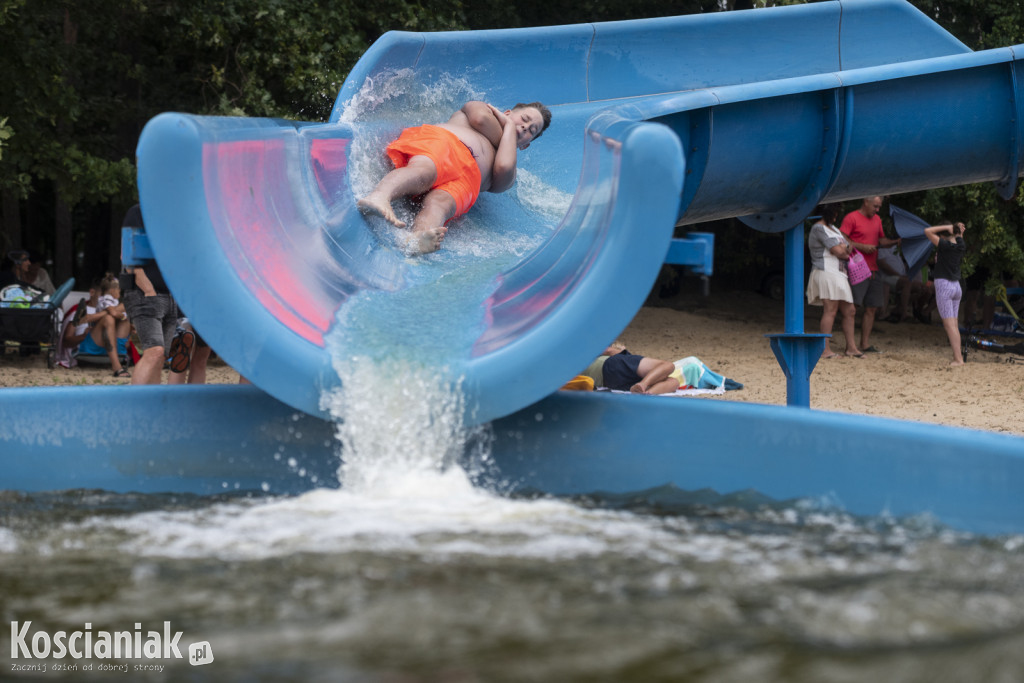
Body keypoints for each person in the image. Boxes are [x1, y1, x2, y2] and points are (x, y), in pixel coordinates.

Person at [358, 100, 552, 253]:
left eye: (532, 131)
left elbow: (503, 167)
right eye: (524, 119)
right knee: (425, 172)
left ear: (525, 146)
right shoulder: (482, 108)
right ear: (507, 113)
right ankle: (380, 196)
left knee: (441, 203)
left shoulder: (511, 167)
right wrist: (506, 129)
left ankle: (417, 240)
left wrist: (510, 129)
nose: (526, 127)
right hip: (445, 144)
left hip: (468, 179)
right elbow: (480, 119)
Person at [119, 204, 181, 385]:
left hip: (168, 296)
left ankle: (151, 404)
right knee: (153, 351)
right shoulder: (138, 212)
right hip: (144, 294)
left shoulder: (170, 216)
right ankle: (135, 404)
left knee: (160, 355)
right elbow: (128, 257)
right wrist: (148, 290)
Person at [840, 196, 901, 353]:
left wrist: (896, 242)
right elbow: (842, 239)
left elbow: (881, 241)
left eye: (879, 206)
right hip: (857, 268)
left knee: (872, 308)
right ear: (865, 202)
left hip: (874, 269)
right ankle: (851, 345)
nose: (877, 209)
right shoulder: (851, 217)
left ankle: (864, 344)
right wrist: (861, 246)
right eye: (875, 206)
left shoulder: (877, 219)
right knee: (853, 307)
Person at [806, 204, 861, 358]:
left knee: (850, 310)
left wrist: (844, 248)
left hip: (839, 273)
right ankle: (825, 349)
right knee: (830, 310)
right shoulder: (818, 228)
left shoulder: (834, 228)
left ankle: (851, 347)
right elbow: (838, 251)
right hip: (826, 270)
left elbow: (848, 247)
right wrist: (843, 248)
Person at [61, 275, 131, 376]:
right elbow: (66, 341)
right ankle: (117, 367)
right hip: (93, 346)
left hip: (117, 347)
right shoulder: (79, 310)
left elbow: (127, 341)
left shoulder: (117, 304)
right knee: (109, 318)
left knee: (121, 314)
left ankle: (88, 318)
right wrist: (83, 336)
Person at [924, 221, 968, 366]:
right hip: (956, 287)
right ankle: (958, 357)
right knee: (954, 325)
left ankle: (958, 358)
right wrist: (958, 233)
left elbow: (928, 230)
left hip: (944, 286)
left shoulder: (944, 245)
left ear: (943, 235)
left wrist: (947, 227)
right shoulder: (960, 245)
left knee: (949, 326)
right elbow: (959, 237)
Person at [580, 344, 681, 395]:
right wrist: (620, 351)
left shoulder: (573, 371)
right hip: (611, 365)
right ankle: (644, 386)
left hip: (608, 382)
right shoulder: (616, 358)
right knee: (669, 366)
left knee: (674, 381)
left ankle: (645, 393)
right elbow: (608, 350)